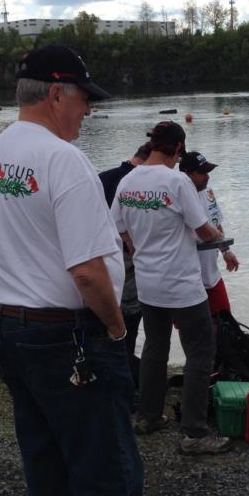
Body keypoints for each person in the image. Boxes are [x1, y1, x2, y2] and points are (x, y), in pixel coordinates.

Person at [0, 45, 174, 496]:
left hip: (10, 330)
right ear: (57, 94)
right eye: (84, 99)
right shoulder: (64, 162)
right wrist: (113, 330)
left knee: (44, 454)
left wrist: (24, 290)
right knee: (108, 465)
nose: (88, 111)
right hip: (71, 335)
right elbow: (87, 272)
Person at [111, 121, 231, 455]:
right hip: (181, 284)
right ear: (178, 147)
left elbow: (118, 228)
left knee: (155, 346)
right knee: (200, 349)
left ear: (153, 145)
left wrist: (138, 251)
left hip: (149, 284)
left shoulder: (127, 182)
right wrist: (221, 238)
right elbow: (203, 230)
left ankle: (147, 417)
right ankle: (194, 432)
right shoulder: (177, 181)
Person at [99, 143, 153, 384]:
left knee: (107, 319)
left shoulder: (103, 178)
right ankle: (126, 374)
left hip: (100, 260)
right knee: (129, 319)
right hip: (128, 259)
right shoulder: (138, 181)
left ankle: (113, 368)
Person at [179, 151, 239, 316]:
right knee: (196, 336)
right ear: (187, 175)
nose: (207, 177)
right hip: (188, 282)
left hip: (212, 276)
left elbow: (216, 222)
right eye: (202, 173)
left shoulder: (208, 192)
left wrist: (226, 251)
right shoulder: (177, 196)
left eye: (208, 172)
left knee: (227, 324)